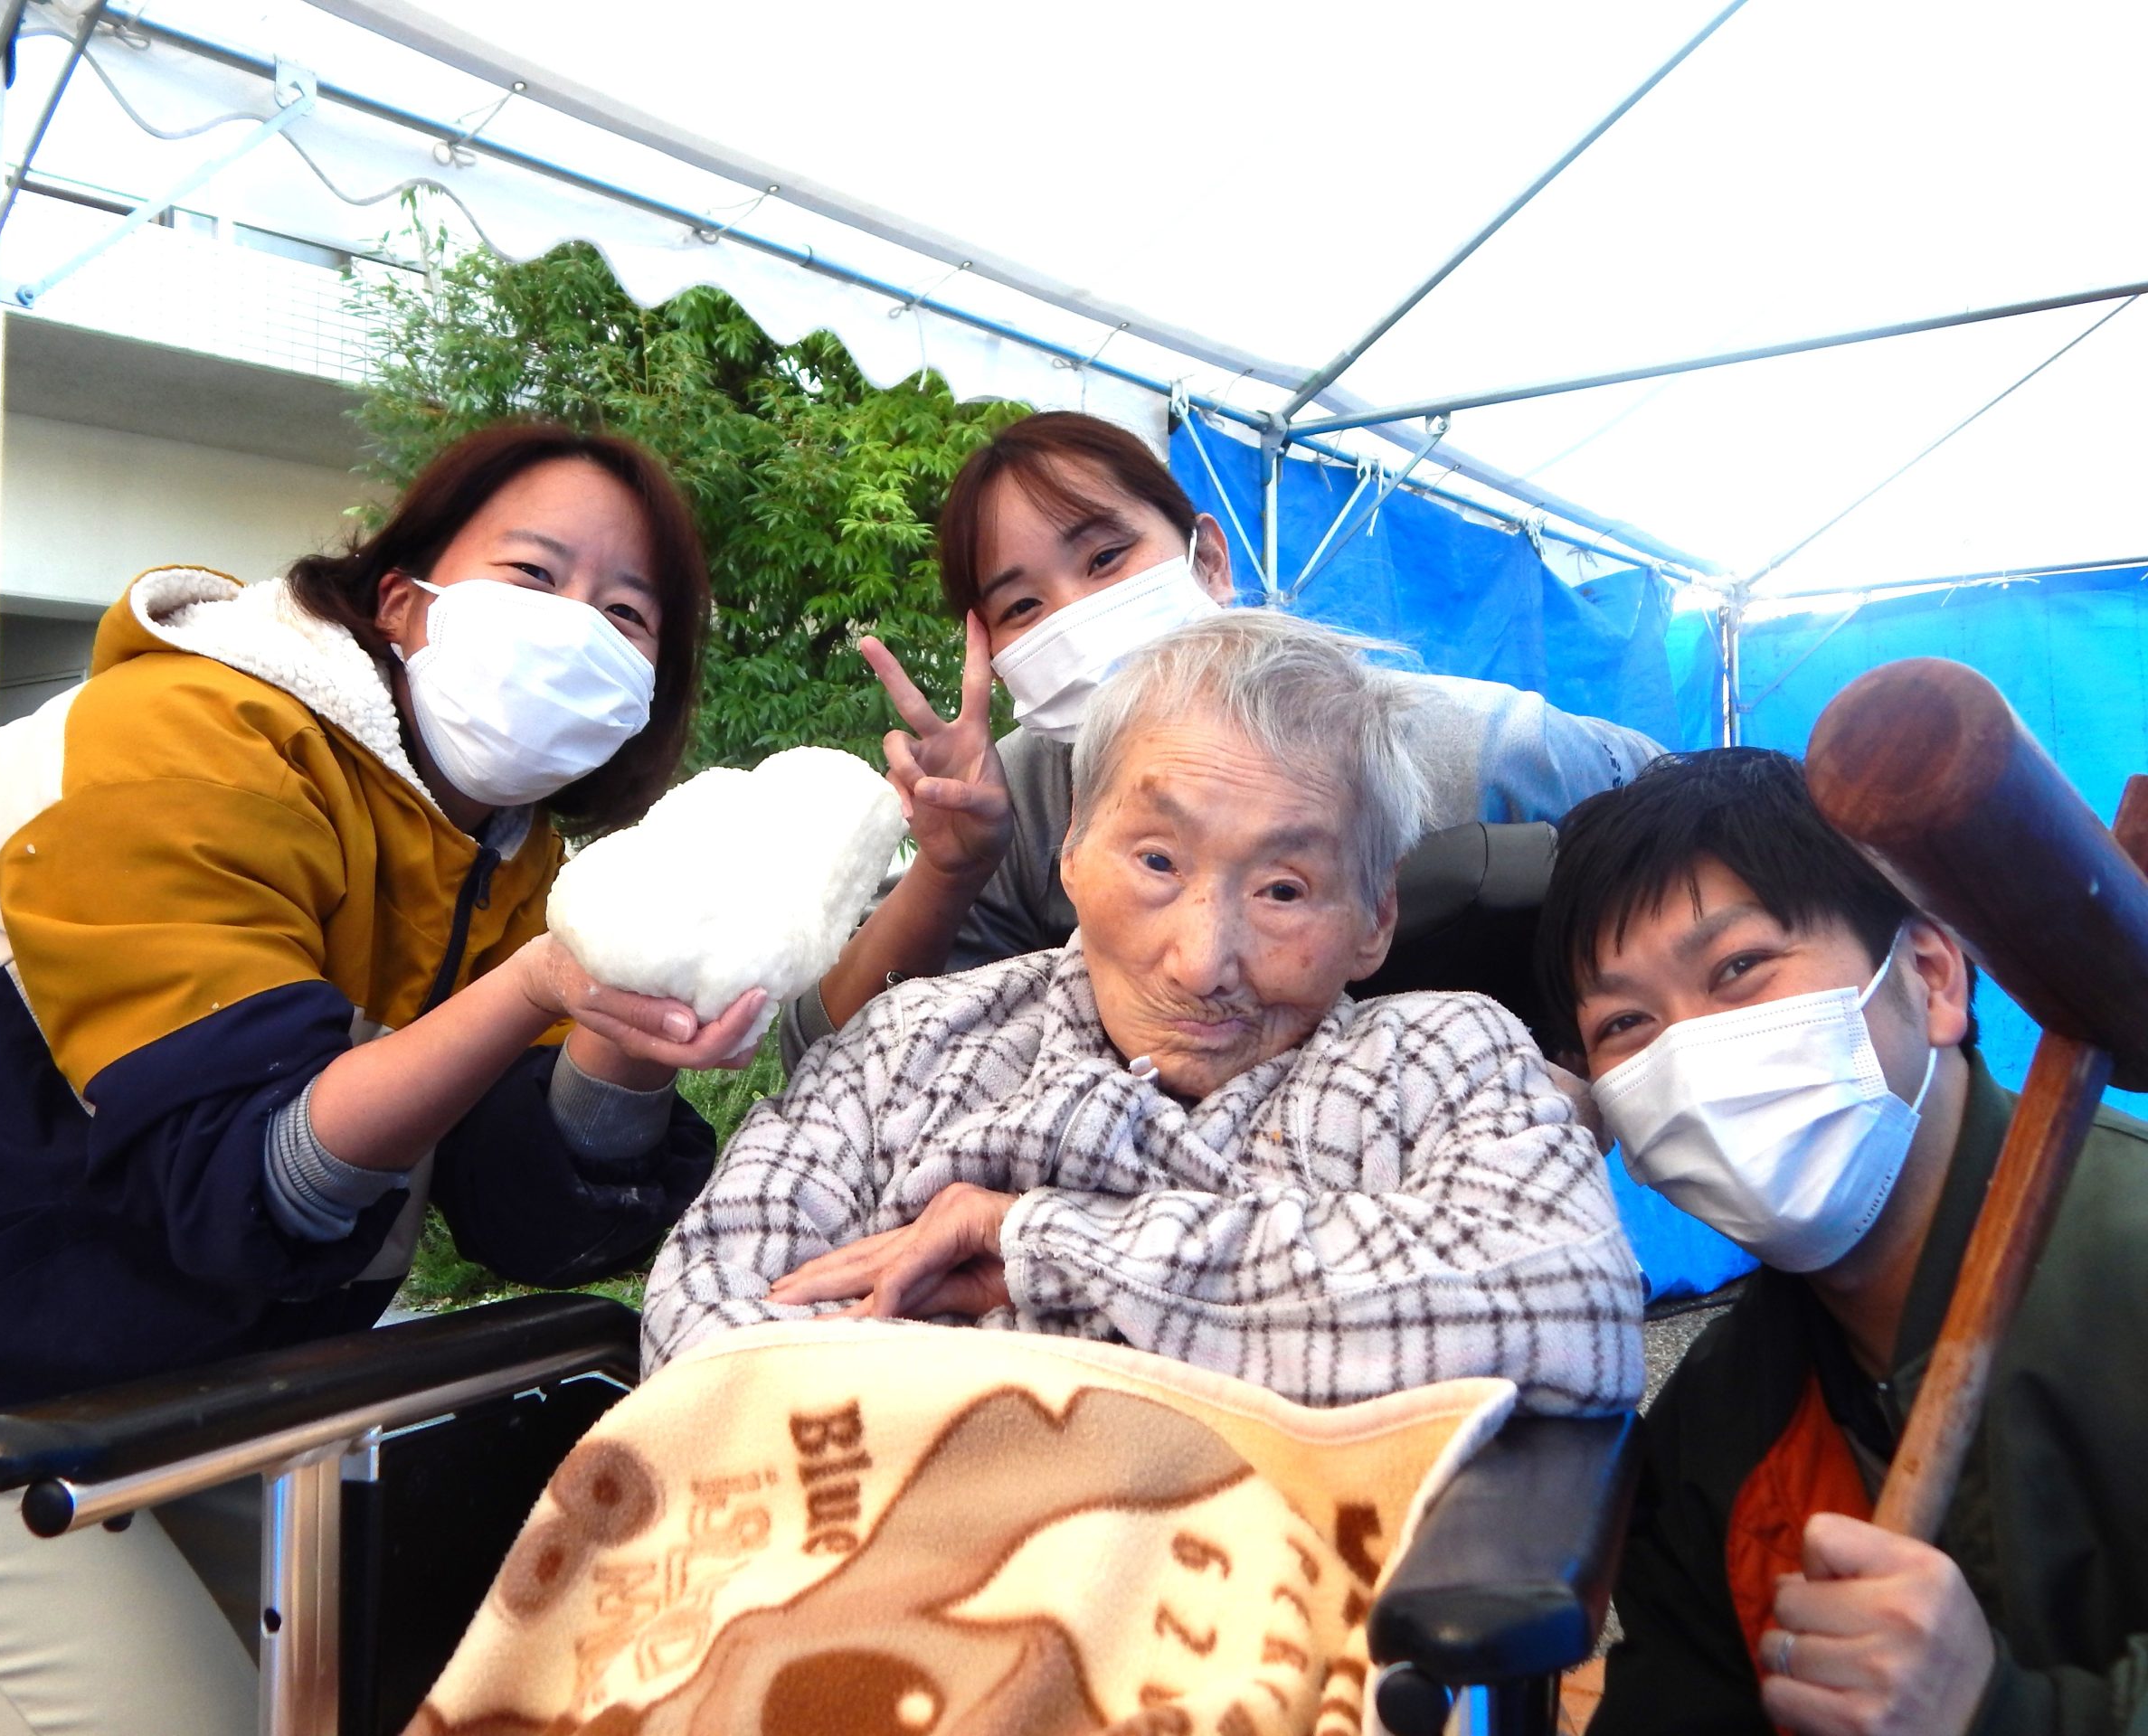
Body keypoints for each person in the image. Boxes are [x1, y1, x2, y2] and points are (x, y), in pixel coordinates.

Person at [0, 422, 767, 1736]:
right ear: (404, 603)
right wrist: (536, 992)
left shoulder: (509, 865)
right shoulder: (178, 741)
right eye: (534, 575)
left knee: (362, 1693)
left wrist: (621, 1033)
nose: (578, 629)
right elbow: (248, 1173)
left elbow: (532, 1214)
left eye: (627, 612)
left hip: (169, 1368)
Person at [645, 609, 1644, 1414]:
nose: (1205, 960)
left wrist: (1040, 1248)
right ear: (1071, 851)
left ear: (1374, 918)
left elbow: (1568, 1301)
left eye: (1285, 889)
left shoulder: (1444, 1057)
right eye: (1158, 861)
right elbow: (701, 1324)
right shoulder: (908, 1047)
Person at [1532, 748, 2148, 1736]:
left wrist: (1998, 1714)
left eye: (1738, 969)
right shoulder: (1714, 1425)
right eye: (1625, 1024)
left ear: (1932, 975)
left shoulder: (2127, 1262)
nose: (1685, 1055)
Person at [780, 409, 1662, 1071]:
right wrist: (949, 867)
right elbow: (823, 1054)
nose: (1075, 616)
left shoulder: (1455, 743)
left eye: (1104, 559)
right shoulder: (1008, 801)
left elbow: (1684, 818)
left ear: (1207, 559)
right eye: (1022, 606)